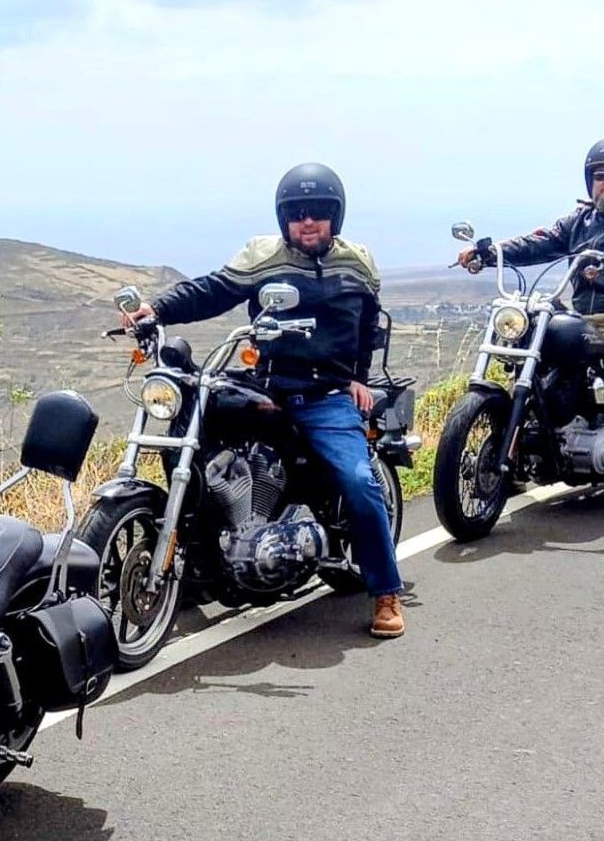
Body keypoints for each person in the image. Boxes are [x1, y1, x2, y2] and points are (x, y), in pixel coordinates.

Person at [120, 162, 406, 638]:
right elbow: (213, 290)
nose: (307, 221)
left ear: (335, 216)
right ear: (283, 218)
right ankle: (193, 561)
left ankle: (385, 592)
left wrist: (357, 378)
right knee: (198, 431)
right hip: (268, 384)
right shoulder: (264, 256)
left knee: (359, 482)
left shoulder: (357, 262)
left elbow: (368, 325)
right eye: (297, 213)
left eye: (318, 212)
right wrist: (159, 309)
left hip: (326, 394)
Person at [457, 137, 604, 521]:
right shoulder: (579, 220)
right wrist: (490, 252)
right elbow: (539, 242)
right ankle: (518, 454)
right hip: (581, 316)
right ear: (590, 181)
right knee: (534, 360)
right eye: (600, 176)